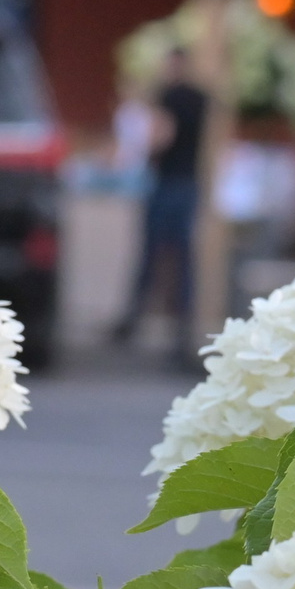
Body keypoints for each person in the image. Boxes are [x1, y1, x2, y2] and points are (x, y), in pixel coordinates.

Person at [113, 47, 208, 362]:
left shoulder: (168, 97)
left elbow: (161, 136)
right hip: (189, 182)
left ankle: (133, 319)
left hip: (167, 183)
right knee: (183, 259)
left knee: (150, 253)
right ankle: (183, 329)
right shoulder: (201, 98)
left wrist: (146, 152)